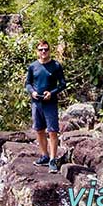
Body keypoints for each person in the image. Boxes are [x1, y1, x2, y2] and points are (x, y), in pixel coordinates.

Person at [24, 40, 67, 173]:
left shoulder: (55, 66)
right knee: (39, 130)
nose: (43, 52)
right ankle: (44, 155)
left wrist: (52, 93)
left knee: (52, 131)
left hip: (50, 103)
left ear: (49, 50)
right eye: (41, 49)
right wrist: (33, 92)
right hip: (37, 103)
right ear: (37, 51)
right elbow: (28, 84)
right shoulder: (33, 67)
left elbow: (63, 84)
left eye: (46, 49)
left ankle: (53, 160)